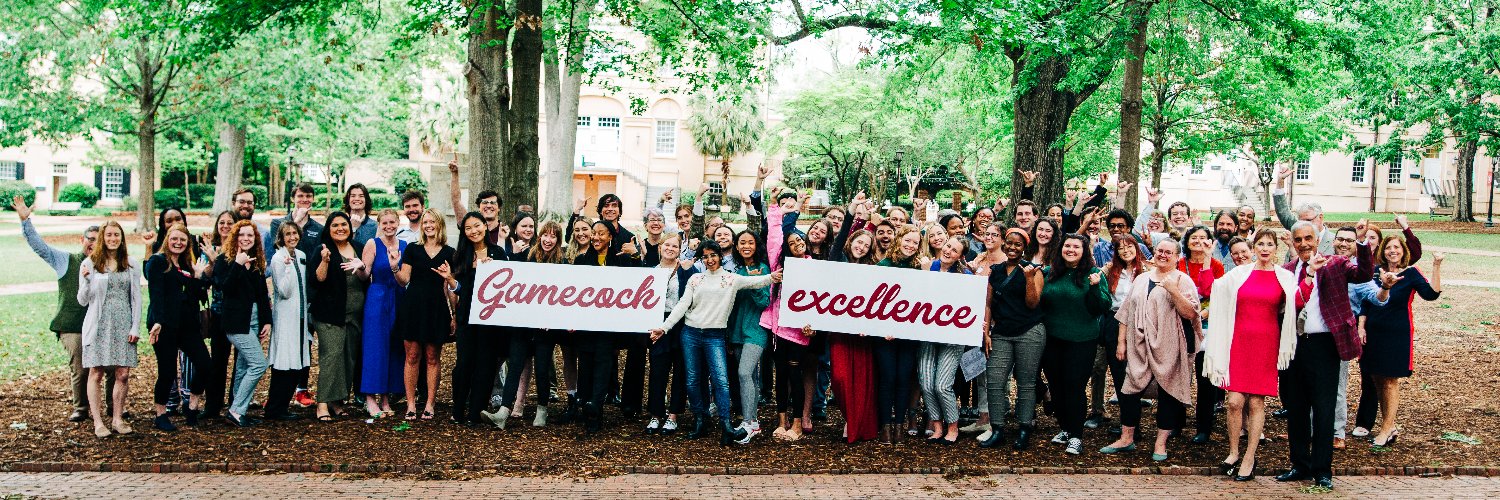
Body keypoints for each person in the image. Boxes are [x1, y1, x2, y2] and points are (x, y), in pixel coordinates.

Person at [651, 240, 782, 446]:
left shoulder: (731, 279)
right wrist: (664, 328)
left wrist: (773, 277)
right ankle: (700, 419)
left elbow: (756, 282)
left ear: (720, 256)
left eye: (713, 255)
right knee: (693, 380)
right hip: (691, 333)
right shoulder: (696, 279)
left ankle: (726, 425)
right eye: (705, 256)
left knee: (721, 380)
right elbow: (682, 305)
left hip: (715, 335)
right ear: (702, 259)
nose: (710, 259)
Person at [1275, 221, 1373, 491]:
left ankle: (1322, 470)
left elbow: (1364, 273)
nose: (1304, 244)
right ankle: (1300, 464)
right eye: (1298, 240)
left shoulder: (1336, 264)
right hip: (1293, 345)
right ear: (1293, 243)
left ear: (1318, 240)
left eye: (1309, 238)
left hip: (1325, 345)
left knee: (1323, 408)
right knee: (1295, 407)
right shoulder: (1286, 272)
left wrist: (1361, 242)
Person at [1202, 230, 1299, 480]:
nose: (1265, 248)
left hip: (1266, 342)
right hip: (1238, 341)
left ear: (1276, 248)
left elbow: (1299, 301)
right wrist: (1206, 258)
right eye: (1260, 244)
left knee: (1256, 402)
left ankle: (1249, 457)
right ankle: (1234, 451)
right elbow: (1211, 288)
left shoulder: (1285, 277)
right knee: (1234, 401)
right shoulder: (1239, 273)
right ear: (1253, 247)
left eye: (1269, 244)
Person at [1099, 238, 1201, 461]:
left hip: (1170, 345)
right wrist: (1121, 343)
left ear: (1177, 257)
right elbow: (1125, 312)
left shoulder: (1183, 281)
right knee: (1129, 390)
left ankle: (1160, 443)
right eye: (1160, 251)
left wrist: (1174, 291)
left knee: (1168, 393)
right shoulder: (1142, 279)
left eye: (1168, 252)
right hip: (1138, 344)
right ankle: (1127, 439)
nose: (1163, 255)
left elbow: (1191, 314)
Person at [13, 195, 111, 423]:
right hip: (72, 324)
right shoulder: (65, 261)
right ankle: (81, 407)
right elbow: (40, 247)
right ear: (82, 239)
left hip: (102, 323)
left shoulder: (110, 265)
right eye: (90, 239)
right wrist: (25, 222)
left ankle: (112, 407)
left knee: (111, 366)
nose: (93, 244)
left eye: (98, 241)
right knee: (81, 365)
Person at [1358, 238, 1443, 448]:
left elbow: (1431, 294)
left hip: (1396, 334)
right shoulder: (1375, 271)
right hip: (1373, 332)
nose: (1392, 251)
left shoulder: (1410, 273)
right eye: (1388, 247)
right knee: (1377, 380)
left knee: (1389, 381)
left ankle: (1386, 429)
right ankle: (1390, 426)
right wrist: (1361, 326)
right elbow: (1365, 301)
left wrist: (1436, 265)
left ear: (1403, 251)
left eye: (1396, 247)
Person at [1038, 234, 1110, 455]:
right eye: (1067, 246)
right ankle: (1066, 428)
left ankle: (1077, 435)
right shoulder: (1050, 274)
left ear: (1084, 251)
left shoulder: (1093, 275)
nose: (1070, 249)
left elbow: (1103, 306)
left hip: (1081, 340)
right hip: (1053, 339)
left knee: (1074, 386)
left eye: (1076, 247)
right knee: (1056, 386)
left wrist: (1096, 288)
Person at [567, 221, 639, 433]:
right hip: (587, 324)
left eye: (601, 234)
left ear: (610, 237)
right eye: (594, 233)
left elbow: (640, 279)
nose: (596, 237)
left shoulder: (621, 260)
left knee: (603, 364)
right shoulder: (581, 260)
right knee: (586, 365)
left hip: (610, 326)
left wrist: (635, 255)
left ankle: (596, 407)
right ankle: (586, 405)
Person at [978, 227, 1046, 450]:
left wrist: (1028, 279)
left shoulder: (1033, 270)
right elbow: (988, 302)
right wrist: (986, 331)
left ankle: (1024, 427)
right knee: (995, 380)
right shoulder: (995, 271)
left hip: (1029, 330)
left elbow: (1033, 303)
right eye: (1009, 243)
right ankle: (997, 428)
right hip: (1002, 332)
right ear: (1004, 244)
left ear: (1025, 247)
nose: (1013, 247)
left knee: (1026, 382)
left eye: (1018, 244)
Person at [497, 220, 568, 428]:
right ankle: (503, 411)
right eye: (545, 235)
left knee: (543, 368)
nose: (548, 239)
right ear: (540, 236)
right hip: (523, 324)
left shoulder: (562, 263)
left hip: (546, 327)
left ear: (558, 240)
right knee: (515, 365)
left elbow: (565, 295)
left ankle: (542, 409)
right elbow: (509, 274)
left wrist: (552, 319)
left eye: (553, 236)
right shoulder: (525, 256)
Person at [76, 220, 141, 437]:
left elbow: (137, 299)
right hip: (99, 322)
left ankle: (117, 418)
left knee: (123, 373)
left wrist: (135, 326)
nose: (113, 239)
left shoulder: (130, 263)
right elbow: (82, 301)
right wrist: (86, 281)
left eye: (117, 235)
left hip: (123, 321)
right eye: (109, 235)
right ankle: (97, 421)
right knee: (97, 371)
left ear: (122, 238)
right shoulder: (90, 263)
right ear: (103, 238)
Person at [145, 223, 212, 432]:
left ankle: (191, 406)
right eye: (174, 239)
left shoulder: (187, 264)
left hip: (188, 325)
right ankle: (161, 414)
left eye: (183, 240)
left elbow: (199, 295)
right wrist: (157, 321)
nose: (178, 243)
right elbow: (155, 292)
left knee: (205, 364)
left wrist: (200, 275)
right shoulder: (158, 261)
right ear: (167, 239)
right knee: (167, 371)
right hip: (164, 323)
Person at [440, 213, 505, 427]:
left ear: (485, 227)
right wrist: (451, 279)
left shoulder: (498, 253)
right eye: (468, 228)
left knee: (485, 364)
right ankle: (458, 410)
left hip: (490, 318)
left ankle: (476, 411)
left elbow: (505, 285)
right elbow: (460, 289)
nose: (473, 231)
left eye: (477, 226)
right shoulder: (461, 256)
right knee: (464, 363)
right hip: (466, 315)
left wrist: (491, 268)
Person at [395, 209, 456, 421]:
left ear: (440, 224)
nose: (428, 225)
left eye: (432, 221)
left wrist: (454, 314)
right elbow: (404, 279)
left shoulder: (450, 252)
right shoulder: (413, 249)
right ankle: (411, 403)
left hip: (436, 307)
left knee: (432, 357)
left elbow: (450, 287)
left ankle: (430, 402)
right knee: (412, 356)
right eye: (425, 222)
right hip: (413, 306)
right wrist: (395, 266)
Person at [212, 221, 273, 427]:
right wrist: (238, 264)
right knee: (258, 364)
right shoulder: (225, 260)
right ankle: (236, 411)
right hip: (236, 322)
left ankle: (240, 410)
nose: (246, 238)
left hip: (255, 320)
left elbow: (262, 295)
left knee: (243, 367)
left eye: (250, 235)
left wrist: (266, 321)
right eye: (242, 235)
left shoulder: (256, 262)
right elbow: (225, 289)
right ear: (235, 237)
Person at [309, 212, 368, 421]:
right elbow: (318, 280)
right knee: (331, 356)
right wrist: (325, 261)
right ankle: (322, 404)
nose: (340, 228)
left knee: (348, 357)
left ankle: (337, 401)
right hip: (329, 313)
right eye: (335, 225)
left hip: (355, 314)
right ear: (328, 228)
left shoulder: (359, 248)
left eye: (344, 224)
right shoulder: (322, 249)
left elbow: (366, 277)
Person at [918, 238, 973, 445]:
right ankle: (937, 425)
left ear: (960, 256)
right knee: (926, 382)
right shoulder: (928, 266)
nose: (949, 251)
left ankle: (953, 425)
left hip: (952, 337)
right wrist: (924, 274)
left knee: (942, 385)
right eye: (948, 246)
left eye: (955, 250)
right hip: (927, 333)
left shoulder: (964, 276)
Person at [830, 229, 882, 443]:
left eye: (866, 246)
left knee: (861, 380)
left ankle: (853, 421)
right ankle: (849, 415)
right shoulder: (837, 262)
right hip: (839, 331)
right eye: (859, 242)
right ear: (851, 241)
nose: (861, 247)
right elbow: (837, 244)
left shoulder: (872, 270)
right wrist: (852, 213)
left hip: (862, 333)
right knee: (840, 378)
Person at [356, 209, 407, 417]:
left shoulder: (404, 246)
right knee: (375, 347)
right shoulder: (372, 244)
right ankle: (370, 398)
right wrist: (360, 267)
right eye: (384, 223)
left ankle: (386, 398)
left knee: (394, 348)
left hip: (398, 297)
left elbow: (406, 276)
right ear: (379, 224)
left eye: (392, 222)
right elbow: (365, 274)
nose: (389, 226)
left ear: (397, 223)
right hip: (377, 298)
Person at [1177, 225, 1225, 445]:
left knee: (1205, 379)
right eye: (1194, 238)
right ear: (1186, 242)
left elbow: (1211, 292)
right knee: (1179, 376)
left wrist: (1207, 259)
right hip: (1180, 325)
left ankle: (1204, 427)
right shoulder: (1178, 264)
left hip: (1208, 326)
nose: (1198, 241)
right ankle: (1175, 423)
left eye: (1204, 238)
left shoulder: (1216, 265)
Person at [646, 234, 694, 436]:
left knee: (680, 371)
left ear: (680, 249)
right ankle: (656, 414)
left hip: (680, 323)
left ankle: (673, 415)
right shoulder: (651, 272)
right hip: (658, 324)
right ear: (660, 246)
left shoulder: (685, 270)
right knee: (658, 370)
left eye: (675, 246)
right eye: (667, 244)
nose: (670, 248)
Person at [729, 230, 773, 443]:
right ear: (736, 247)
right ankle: (753, 422)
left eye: (750, 242)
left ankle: (747, 422)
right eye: (742, 242)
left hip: (756, 330)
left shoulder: (763, 269)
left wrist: (756, 283)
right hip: (737, 331)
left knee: (744, 373)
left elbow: (764, 302)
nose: (746, 246)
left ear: (757, 246)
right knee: (751, 378)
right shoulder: (737, 270)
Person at [265, 221, 311, 422]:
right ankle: (274, 407)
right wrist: (288, 270)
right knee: (284, 361)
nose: (292, 237)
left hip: (300, 315)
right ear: (281, 238)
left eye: (295, 233)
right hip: (285, 317)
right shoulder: (278, 258)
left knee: (297, 361)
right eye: (287, 234)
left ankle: (283, 405)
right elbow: (284, 291)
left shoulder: (301, 256)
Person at [1272, 167, 1336, 255]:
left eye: (1309, 220)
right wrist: (1280, 181)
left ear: (1320, 217)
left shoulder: (1336, 240)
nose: (1305, 225)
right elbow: (1283, 212)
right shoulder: (1299, 228)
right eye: (1301, 221)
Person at [265, 183, 324, 258]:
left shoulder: (319, 229)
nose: (305, 199)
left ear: (313, 199)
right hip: (287, 268)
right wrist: (297, 221)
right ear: (292, 199)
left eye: (308, 196)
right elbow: (279, 247)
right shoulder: (277, 223)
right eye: (300, 196)